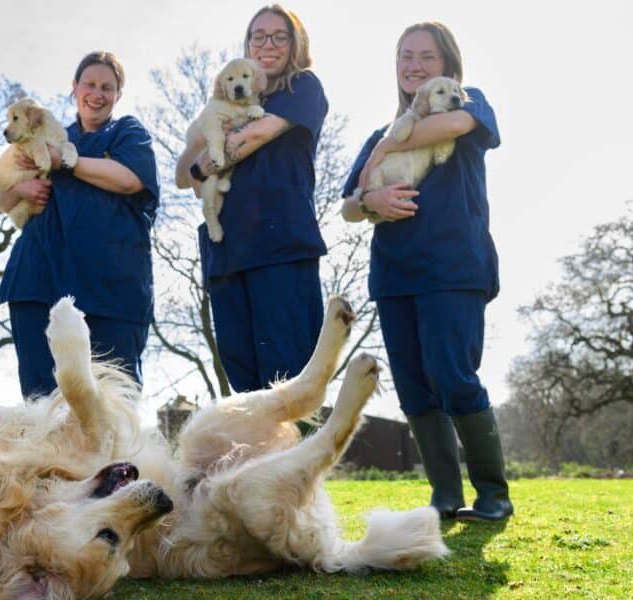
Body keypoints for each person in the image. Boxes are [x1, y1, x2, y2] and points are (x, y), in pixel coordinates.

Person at [340, 22, 513, 521]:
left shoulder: (466, 102)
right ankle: (445, 497)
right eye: (405, 57)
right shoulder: (380, 134)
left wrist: (387, 149)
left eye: (426, 57)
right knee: (415, 385)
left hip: (455, 267)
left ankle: (494, 495)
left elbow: (454, 127)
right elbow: (349, 206)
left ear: (448, 67)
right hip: (396, 275)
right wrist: (371, 198)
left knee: (451, 373)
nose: (414, 66)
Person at [176, 5, 328, 396]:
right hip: (227, 251)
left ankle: (298, 457)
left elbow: (253, 137)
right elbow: (181, 175)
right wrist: (199, 155)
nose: (268, 44)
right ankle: (256, 459)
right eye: (258, 36)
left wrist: (202, 166)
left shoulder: (302, 88)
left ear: (296, 44)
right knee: (244, 389)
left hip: (280, 246)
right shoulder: (224, 100)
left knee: (288, 382)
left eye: (280, 36)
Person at [0, 51, 160, 399]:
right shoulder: (44, 134)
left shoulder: (128, 133)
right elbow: (0, 199)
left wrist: (63, 162)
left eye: (107, 87)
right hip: (38, 285)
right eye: (89, 84)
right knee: (43, 405)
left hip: (110, 291)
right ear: (74, 88)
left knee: (113, 405)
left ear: (118, 94)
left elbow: (130, 180)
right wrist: (20, 189)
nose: (97, 94)